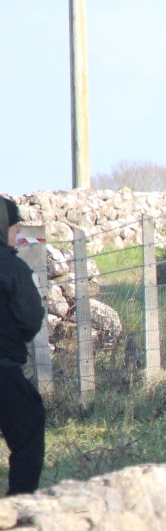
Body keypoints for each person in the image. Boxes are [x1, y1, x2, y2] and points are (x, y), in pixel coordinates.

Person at [0, 200, 46, 495]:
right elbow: (30, 318)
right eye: (15, 225)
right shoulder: (12, 268)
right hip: (3, 371)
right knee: (29, 426)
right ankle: (19, 505)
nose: (18, 231)